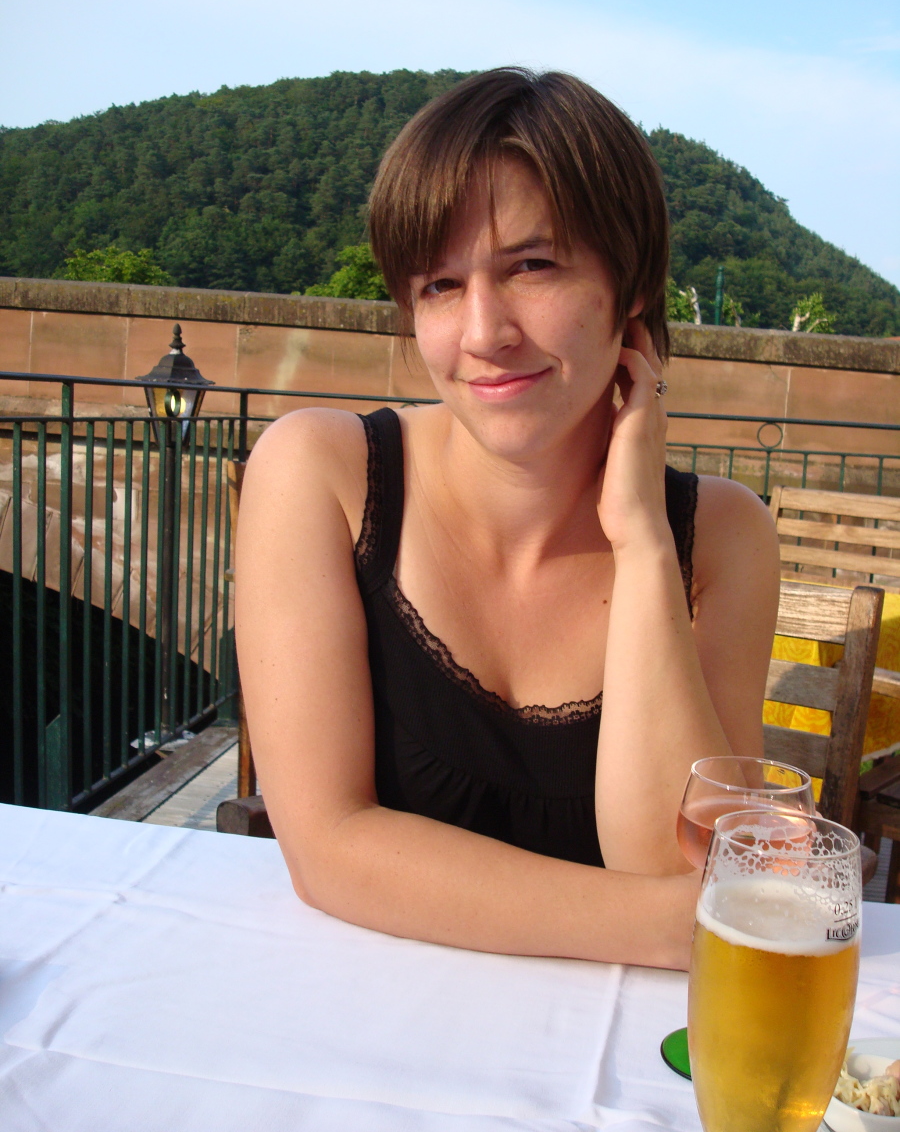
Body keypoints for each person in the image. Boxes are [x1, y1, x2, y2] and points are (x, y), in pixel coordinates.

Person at [235, 68, 780, 970]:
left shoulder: (720, 536)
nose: (485, 332)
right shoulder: (321, 475)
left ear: (630, 284)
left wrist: (642, 541)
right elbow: (327, 846)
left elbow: (670, 859)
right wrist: (665, 925)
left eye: (532, 266)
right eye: (441, 285)